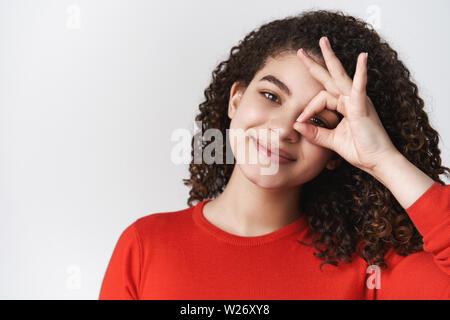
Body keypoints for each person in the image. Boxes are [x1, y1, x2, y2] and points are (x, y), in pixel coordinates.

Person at [99, 9, 450, 300]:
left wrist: (382, 159)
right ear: (235, 100)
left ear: (335, 153)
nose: (283, 129)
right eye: (271, 96)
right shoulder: (146, 246)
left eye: (316, 119)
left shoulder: (371, 268)